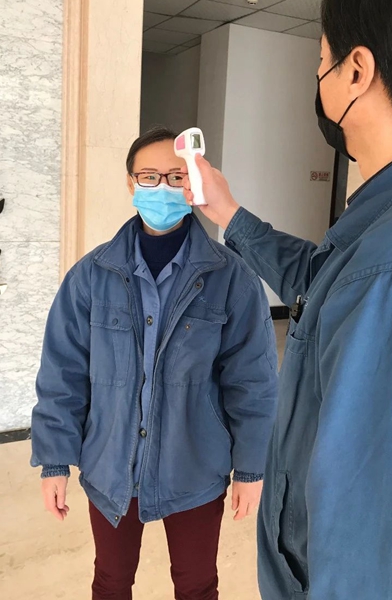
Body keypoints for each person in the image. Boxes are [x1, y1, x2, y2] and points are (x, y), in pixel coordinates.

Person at [183, 0, 392, 600]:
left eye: (320, 64)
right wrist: (230, 213)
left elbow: (390, 556)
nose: (320, 82)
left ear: (356, 71)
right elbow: (329, 285)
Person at [30, 126, 278, 600]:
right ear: (131, 183)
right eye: (149, 176)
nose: (162, 187)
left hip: (195, 466)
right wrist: (54, 460)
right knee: (110, 582)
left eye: (176, 176)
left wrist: (251, 468)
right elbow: (63, 372)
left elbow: (253, 380)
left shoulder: (231, 277)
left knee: (197, 585)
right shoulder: (91, 275)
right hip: (111, 466)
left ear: (193, 183)